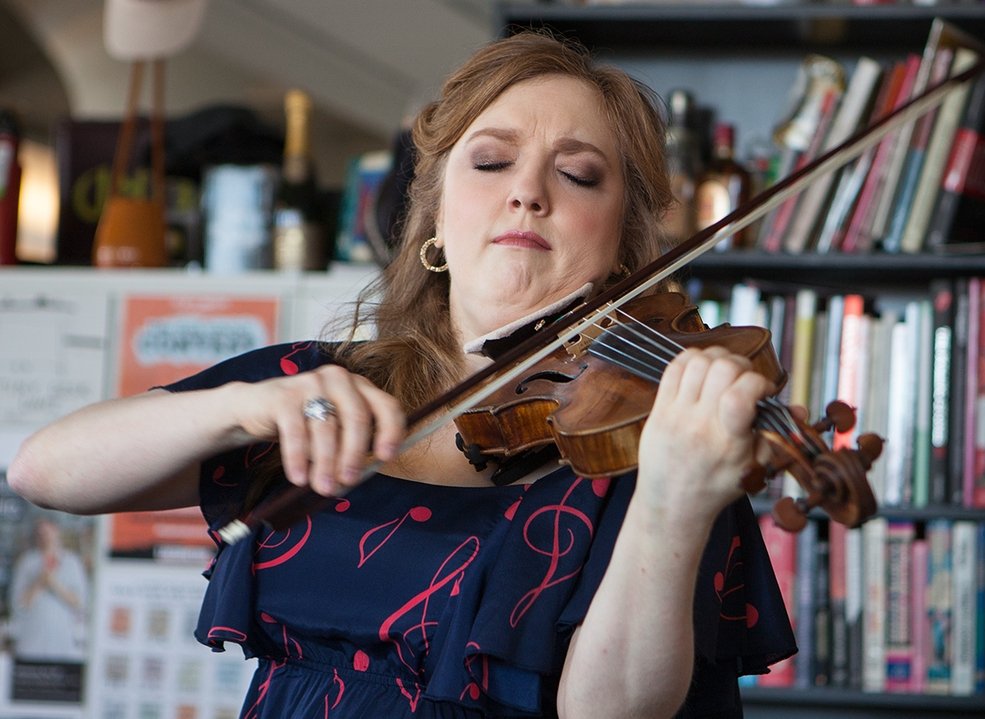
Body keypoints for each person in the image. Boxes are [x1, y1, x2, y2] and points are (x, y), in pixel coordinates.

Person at [9, 31, 796, 717]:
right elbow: (45, 470)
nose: (527, 191)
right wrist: (245, 406)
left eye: (579, 175)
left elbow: (611, 712)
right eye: (491, 161)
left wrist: (673, 497)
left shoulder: (657, 443)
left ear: (625, 246)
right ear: (438, 224)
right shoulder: (315, 386)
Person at [7, 516, 89, 662]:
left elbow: (80, 603)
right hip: (31, 639)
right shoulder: (27, 562)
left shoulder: (72, 562)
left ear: (57, 531)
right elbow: (18, 604)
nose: (45, 537)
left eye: (48, 532)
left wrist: (54, 583)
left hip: (62, 640)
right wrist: (39, 583)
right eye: (40, 533)